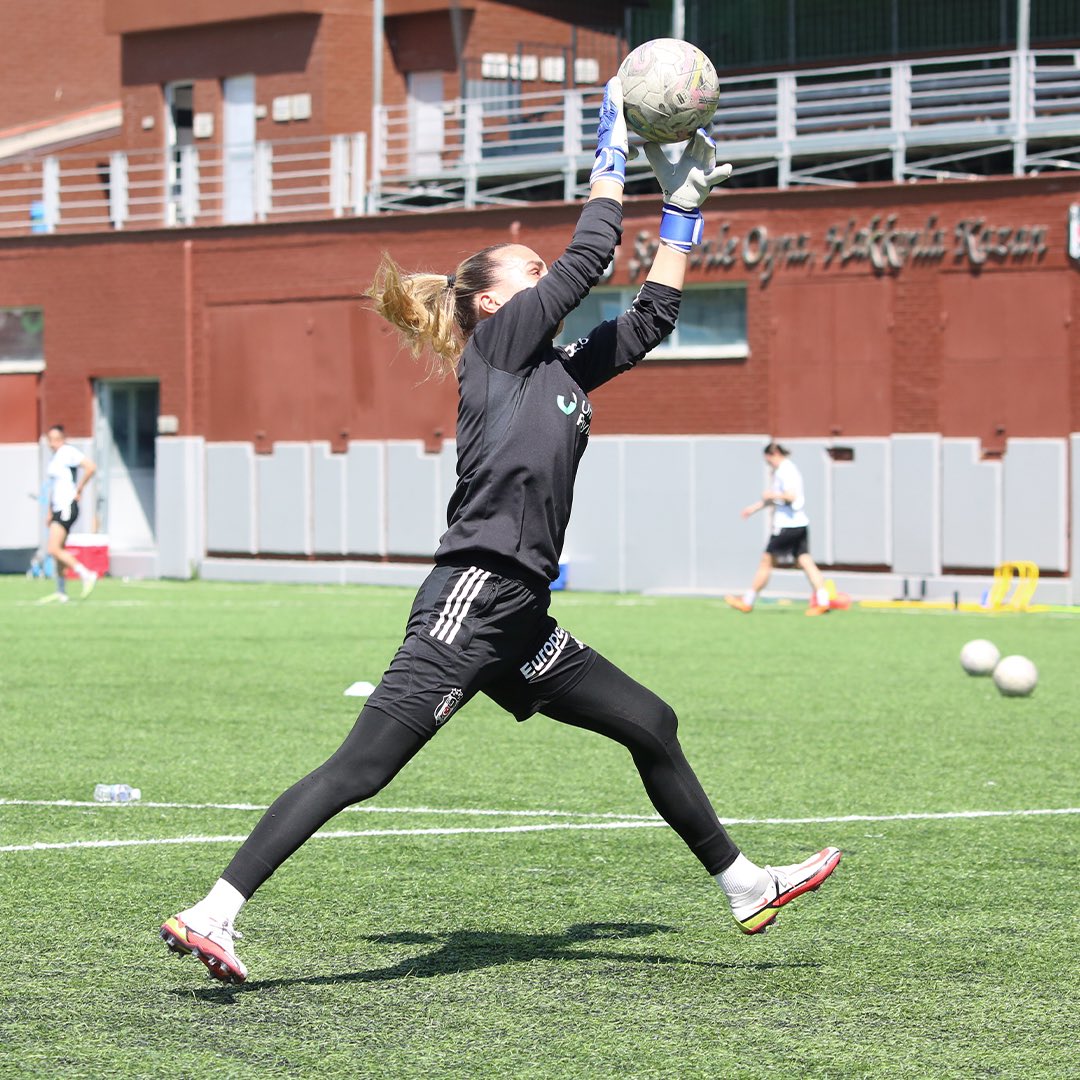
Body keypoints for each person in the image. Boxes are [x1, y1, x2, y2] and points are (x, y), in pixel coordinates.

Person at [160, 79, 841, 986]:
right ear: (492, 304)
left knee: (651, 723)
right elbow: (593, 252)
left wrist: (683, 208)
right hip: (473, 596)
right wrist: (611, 145)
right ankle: (215, 909)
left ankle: (745, 884)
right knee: (362, 767)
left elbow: (649, 321)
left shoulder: (556, 370)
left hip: (520, 613)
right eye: (529, 269)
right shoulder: (498, 349)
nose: (542, 275)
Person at [725, 442, 832, 616]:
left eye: (768, 459)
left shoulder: (785, 470)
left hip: (787, 526)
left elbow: (790, 496)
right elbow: (777, 499)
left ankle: (747, 601)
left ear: (774, 453)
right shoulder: (787, 469)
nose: (768, 463)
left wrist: (771, 495)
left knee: (766, 562)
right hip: (800, 523)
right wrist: (754, 508)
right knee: (805, 561)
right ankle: (823, 601)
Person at [37, 424, 98, 604]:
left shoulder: (67, 452)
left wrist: (80, 488)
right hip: (57, 507)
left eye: (56, 439)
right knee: (58, 550)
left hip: (66, 507)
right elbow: (54, 487)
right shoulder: (54, 459)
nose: (52, 443)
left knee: (53, 549)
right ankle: (61, 591)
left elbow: (90, 467)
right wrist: (49, 510)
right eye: (50, 439)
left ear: (62, 439)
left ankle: (86, 574)